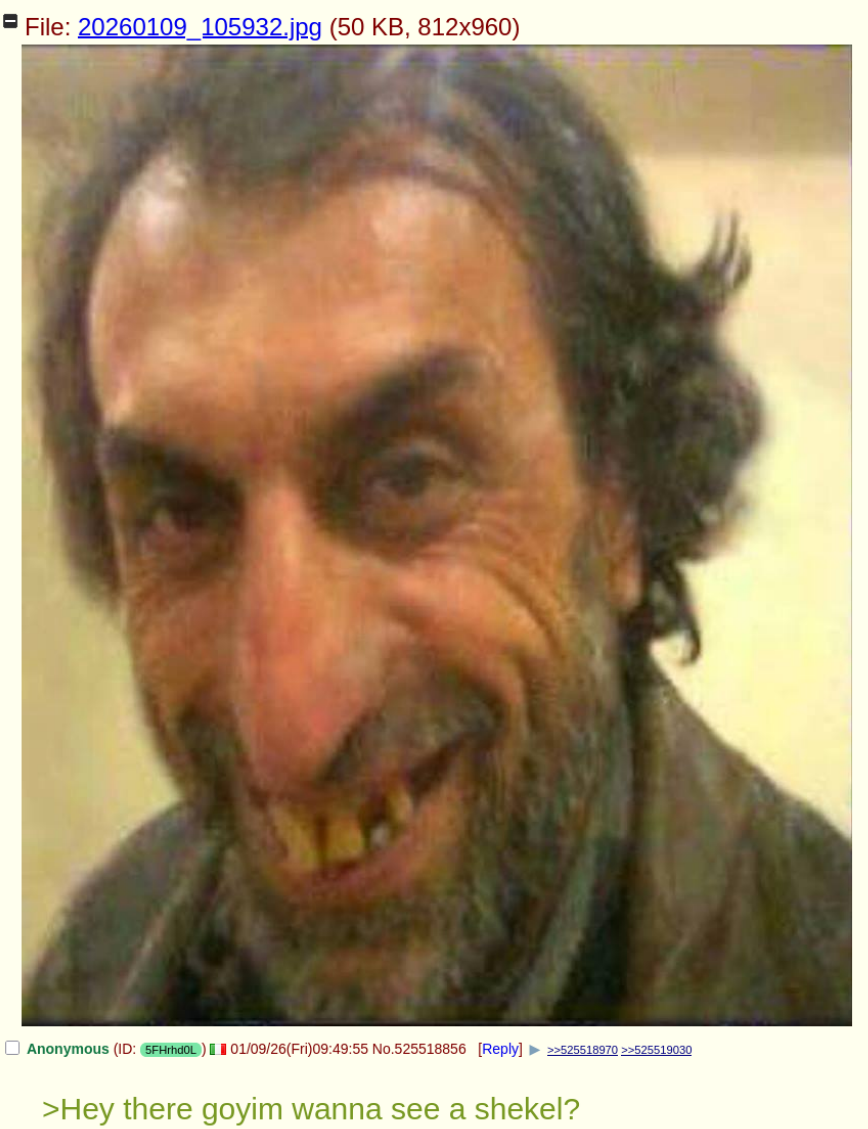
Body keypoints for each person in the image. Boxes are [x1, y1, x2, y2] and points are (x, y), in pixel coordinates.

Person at [24, 46, 850, 1024]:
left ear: (621, 501)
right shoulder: (90, 975)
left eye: (408, 477)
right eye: (179, 513)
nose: (290, 730)